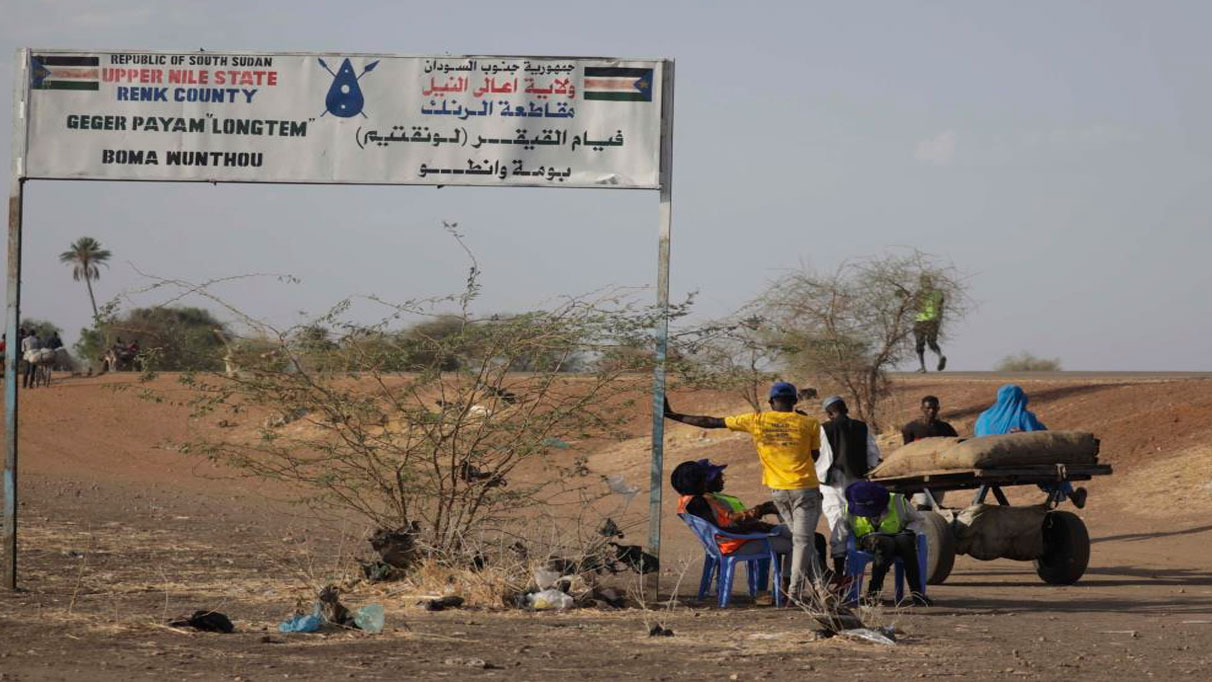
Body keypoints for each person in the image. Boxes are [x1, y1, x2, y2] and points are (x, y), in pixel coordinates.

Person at [665, 382, 824, 597]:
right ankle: (797, 591)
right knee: (803, 541)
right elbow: (814, 457)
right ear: (795, 401)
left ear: (770, 403)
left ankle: (816, 588)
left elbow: (710, 422)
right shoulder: (810, 423)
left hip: (779, 491)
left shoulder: (756, 420)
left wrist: (673, 415)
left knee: (802, 539)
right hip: (805, 489)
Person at [672, 460, 792, 591]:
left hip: (726, 544)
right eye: (703, 478)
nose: (706, 481)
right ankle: (788, 590)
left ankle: (786, 590)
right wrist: (753, 527)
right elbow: (719, 530)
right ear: (696, 481)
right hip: (733, 545)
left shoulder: (687, 501)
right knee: (796, 545)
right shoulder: (697, 502)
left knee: (796, 537)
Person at [700, 458, 829, 575]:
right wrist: (760, 510)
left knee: (804, 538)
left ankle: (821, 577)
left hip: (743, 536)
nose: (722, 479)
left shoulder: (713, 498)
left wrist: (763, 510)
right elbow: (732, 520)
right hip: (739, 541)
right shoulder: (711, 500)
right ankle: (806, 581)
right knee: (800, 542)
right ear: (707, 481)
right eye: (718, 477)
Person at [975, 384, 1086, 508]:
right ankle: (1070, 494)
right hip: (1015, 463)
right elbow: (1038, 440)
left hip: (987, 463)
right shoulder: (1024, 416)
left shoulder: (983, 417)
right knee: (1050, 460)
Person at [816, 396, 882, 578]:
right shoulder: (862, 426)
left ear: (829, 413)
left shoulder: (825, 428)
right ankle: (855, 569)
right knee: (859, 523)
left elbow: (824, 458)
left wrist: (821, 479)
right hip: (859, 482)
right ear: (845, 408)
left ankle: (840, 574)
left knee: (838, 525)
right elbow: (873, 455)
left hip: (834, 484)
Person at [842, 480, 931, 606]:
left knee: (906, 543)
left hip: (899, 536)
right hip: (871, 539)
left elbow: (918, 520)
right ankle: (874, 592)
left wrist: (909, 531)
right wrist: (838, 559)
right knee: (885, 544)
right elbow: (839, 534)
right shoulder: (848, 509)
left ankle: (917, 593)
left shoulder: (898, 501)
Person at [901, 394, 959, 508]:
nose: (931, 411)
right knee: (923, 503)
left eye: (934, 408)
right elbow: (906, 450)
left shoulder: (945, 427)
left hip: (939, 471)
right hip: (919, 471)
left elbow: (955, 444)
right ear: (922, 409)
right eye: (928, 408)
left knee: (936, 503)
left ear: (938, 409)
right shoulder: (911, 428)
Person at [914, 274, 947, 373]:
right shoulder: (938, 293)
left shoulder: (919, 293)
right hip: (934, 320)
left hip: (921, 320)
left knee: (919, 344)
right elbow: (941, 304)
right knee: (932, 342)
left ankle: (923, 367)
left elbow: (916, 307)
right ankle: (940, 356)